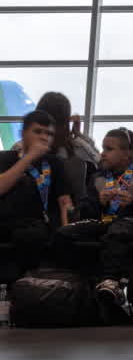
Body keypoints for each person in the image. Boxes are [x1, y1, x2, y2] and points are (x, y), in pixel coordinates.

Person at [54, 128, 133, 321]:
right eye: (103, 148)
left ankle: (109, 281)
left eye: (109, 149)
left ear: (126, 154)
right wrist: (98, 202)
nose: (102, 153)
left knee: (118, 232)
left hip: (131, 223)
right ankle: (66, 283)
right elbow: (82, 212)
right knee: (65, 232)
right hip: (103, 223)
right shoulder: (97, 179)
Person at [0, 110, 75, 266]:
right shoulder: (6, 158)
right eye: (37, 131)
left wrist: (69, 230)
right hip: (5, 220)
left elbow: (64, 202)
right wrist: (28, 157)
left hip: (36, 223)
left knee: (30, 234)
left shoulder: (55, 163)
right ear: (23, 133)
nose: (43, 137)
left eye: (48, 134)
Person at [11, 92, 100, 166]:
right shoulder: (20, 149)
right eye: (38, 131)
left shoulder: (77, 147)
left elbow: (102, 165)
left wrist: (79, 136)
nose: (45, 137)